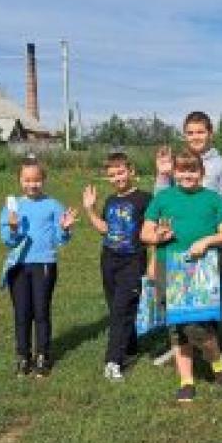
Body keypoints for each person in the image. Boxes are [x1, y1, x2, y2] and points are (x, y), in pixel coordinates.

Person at [141, 150, 222, 403]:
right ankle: (186, 381)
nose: (187, 175)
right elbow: (145, 234)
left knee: (197, 323)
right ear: (174, 172)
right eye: (182, 170)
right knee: (177, 327)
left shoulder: (213, 199)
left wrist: (206, 241)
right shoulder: (163, 197)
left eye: (192, 170)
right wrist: (158, 236)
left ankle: (217, 362)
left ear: (201, 173)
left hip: (201, 269)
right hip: (168, 267)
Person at [153, 111, 222, 367]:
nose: (195, 137)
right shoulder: (177, 163)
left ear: (210, 133)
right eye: (190, 132)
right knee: (177, 305)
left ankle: (211, 354)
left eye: (200, 132)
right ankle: (183, 351)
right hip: (174, 250)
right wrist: (163, 175)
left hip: (207, 250)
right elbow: (161, 204)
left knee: (205, 304)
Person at [0, 157, 78, 377]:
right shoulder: (12, 206)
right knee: (22, 313)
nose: (32, 184)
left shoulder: (53, 205)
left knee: (41, 312)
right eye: (27, 180)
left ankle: (43, 355)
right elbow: (7, 240)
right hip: (18, 266)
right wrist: (13, 229)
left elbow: (61, 238)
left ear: (44, 180)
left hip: (44, 265)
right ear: (19, 180)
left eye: (36, 180)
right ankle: (23, 356)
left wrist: (64, 228)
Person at [82, 151, 152, 382]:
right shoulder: (111, 201)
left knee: (122, 310)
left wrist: (153, 261)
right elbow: (105, 229)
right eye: (112, 175)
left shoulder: (144, 199)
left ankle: (113, 362)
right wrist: (90, 209)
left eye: (121, 172)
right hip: (109, 261)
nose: (117, 178)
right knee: (117, 309)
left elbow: (151, 230)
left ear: (131, 171)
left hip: (133, 262)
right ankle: (130, 345)